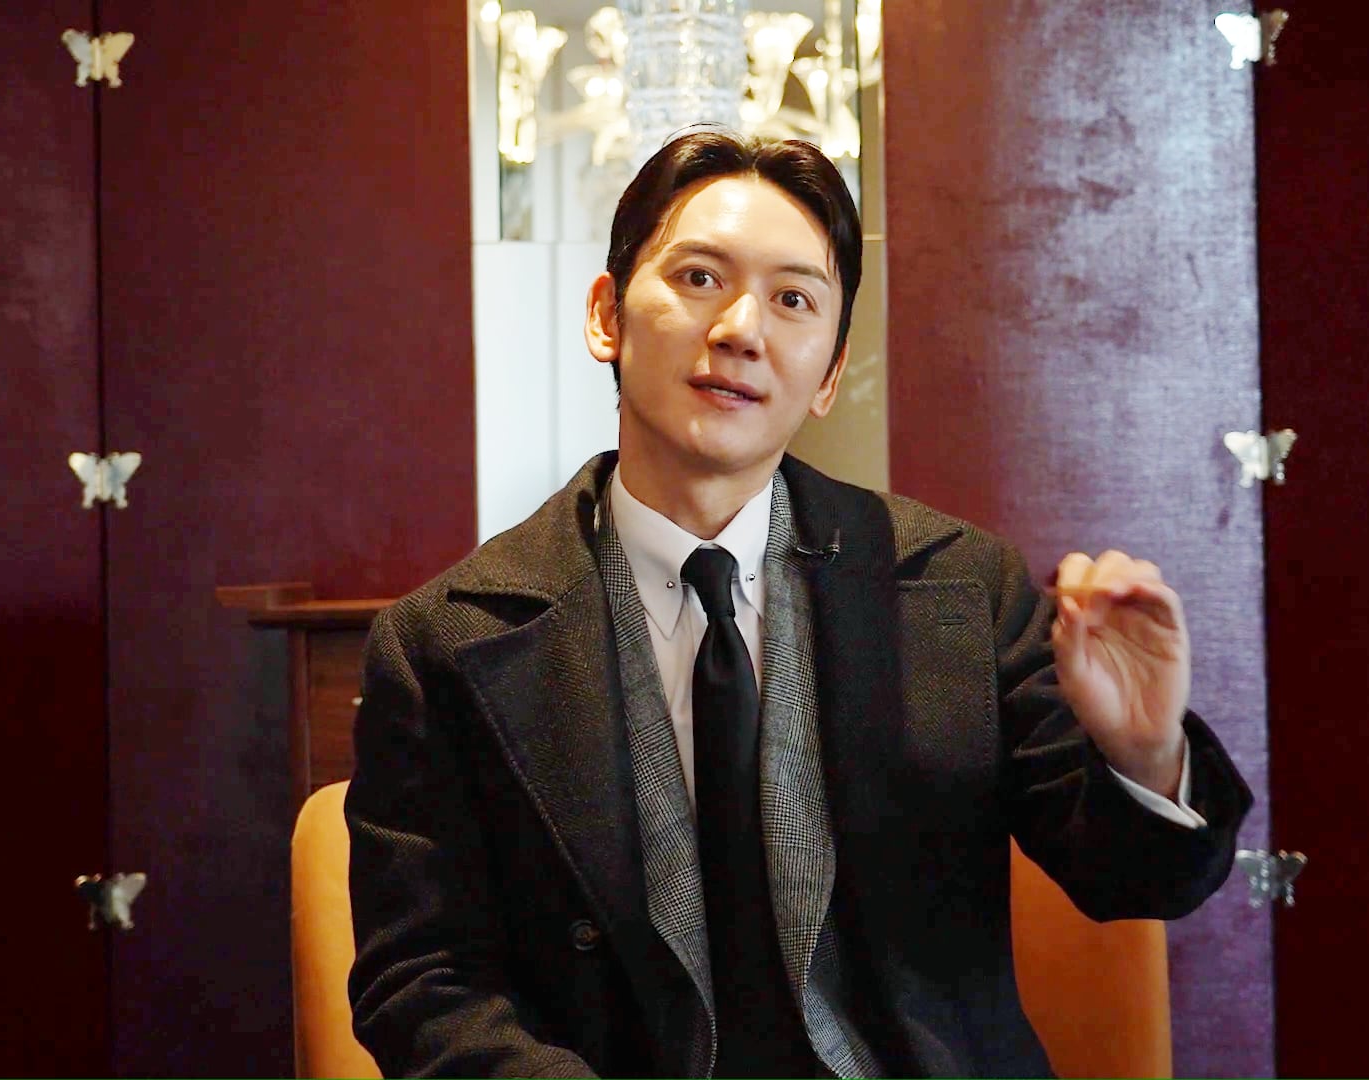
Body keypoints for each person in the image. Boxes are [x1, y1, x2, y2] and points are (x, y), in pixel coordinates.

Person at [345, 129, 1252, 1078]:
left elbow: (1138, 880)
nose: (742, 330)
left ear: (827, 374)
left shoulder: (958, 591)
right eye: (699, 278)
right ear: (607, 316)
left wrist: (1146, 756)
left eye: (792, 299)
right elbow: (423, 981)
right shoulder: (445, 640)